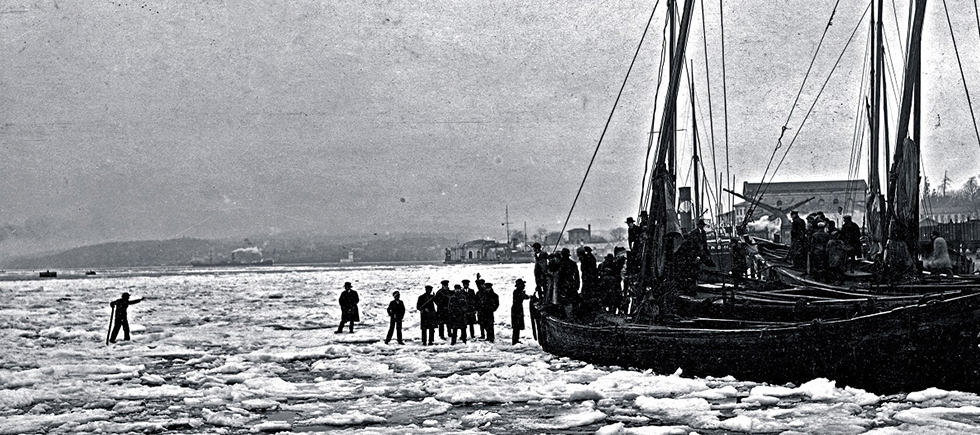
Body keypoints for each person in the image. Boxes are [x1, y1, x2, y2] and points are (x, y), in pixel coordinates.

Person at [556, 248, 580, 317]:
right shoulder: (573, 263)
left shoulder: (559, 263)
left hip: (562, 286)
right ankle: (573, 315)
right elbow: (577, 276)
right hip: (571, 285)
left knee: (563, 301)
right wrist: (577, 285)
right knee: (573, 300)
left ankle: (564, 316)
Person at [511, 279, 531, 345]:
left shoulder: (518, 291)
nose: (524, 286)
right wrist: (528, 296)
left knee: (517, 326)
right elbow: (523, 297)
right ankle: (515, 341)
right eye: (523, 284)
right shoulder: (517, 292)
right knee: (516, 326)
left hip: (517, 309)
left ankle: (516, 340)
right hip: (516, 310)